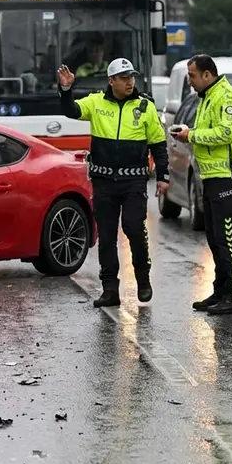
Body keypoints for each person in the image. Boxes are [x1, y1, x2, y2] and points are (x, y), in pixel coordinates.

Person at [58, 58, 168, 307]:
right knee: (106, 237)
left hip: (133, 182)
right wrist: (66, 89)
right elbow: (71, 111)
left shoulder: (145, 106)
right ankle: (109, 290)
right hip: (104, 181)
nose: (130, 82)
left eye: (132, 77)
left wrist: (163, 176)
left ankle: (142, 277)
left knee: (133, 228)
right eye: (124, 78)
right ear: (111, 81)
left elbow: (158, 146)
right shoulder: (96, 102)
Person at [172, 54, 232, 315]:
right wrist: (187, 132)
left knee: (228, 236)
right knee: (215, 238)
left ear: (207, 74)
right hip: (211, 176)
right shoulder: (206, 98)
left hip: (228, 175)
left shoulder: (226, 98)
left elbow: (228, 133)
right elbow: (207, 132)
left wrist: (191, 135)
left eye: (192, 76)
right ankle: (221, 290)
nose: (190, 81)